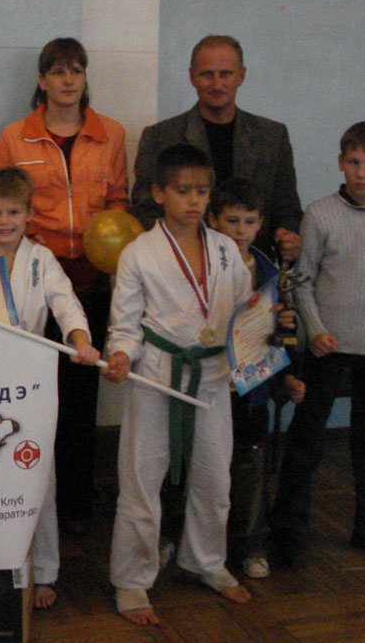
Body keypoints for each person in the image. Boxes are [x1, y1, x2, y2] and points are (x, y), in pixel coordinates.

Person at [102, 144, 253, 625]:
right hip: (157, 377)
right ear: (158, 193)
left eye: (202, 191)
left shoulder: (226, 249)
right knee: (140, 482)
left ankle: (206, 561)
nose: (194, 200)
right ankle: (131, 580)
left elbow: (245, 310)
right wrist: (120, 354)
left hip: (213, 376)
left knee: (215, 478)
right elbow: (125, 324)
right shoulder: (138, 252)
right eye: (183, 190)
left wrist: (260, 335)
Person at [0, 37, 127, 534]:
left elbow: (119, 203)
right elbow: (0, 205)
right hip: (35, 279)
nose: (68, 80)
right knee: (32, 394)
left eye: (76, 70)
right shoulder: (15, 137)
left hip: (90, 278)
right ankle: (25, 498)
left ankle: (74, 507)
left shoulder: (111, 134)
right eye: (58, 71)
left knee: (80, 396)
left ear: (85, 77)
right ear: (42, 80)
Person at [0, 167, 99, 609]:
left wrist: (80, 340)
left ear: (29, 214)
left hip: (31, 379)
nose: (5, 221)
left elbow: (66, 303)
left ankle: (45, 570)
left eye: (14, 212)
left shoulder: (43, 260)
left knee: (37, 472)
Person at [270, 121, 365, 568]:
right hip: (329, 347)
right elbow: (302, 281)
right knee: (307, 439)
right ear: (341, 162)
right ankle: (288, 528)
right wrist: (316, 329)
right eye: (354, 162)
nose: (361, 172)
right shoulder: (320, 214)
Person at [205, 179, 305, 579]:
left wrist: (288, 371)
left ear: (261, 224)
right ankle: (197, 543)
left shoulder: (268, 270)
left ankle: (249, 544)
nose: (241, 230)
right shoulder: (203, 265)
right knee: (205, 467)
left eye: (249, 221)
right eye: (232, 220)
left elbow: (281, 335)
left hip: (253, 387)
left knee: (250, 466)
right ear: (213, 221)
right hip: (212, 383)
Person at [131, 35, 302, 262]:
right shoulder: (160, 137)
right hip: (182, 266)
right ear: (192, 77)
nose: (217, 84)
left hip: (252, 265)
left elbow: (287, 208)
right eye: (207, 74)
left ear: (241, 76)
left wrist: (288, 235)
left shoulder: (272, 136)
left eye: (226, 74)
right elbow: (145, 210)